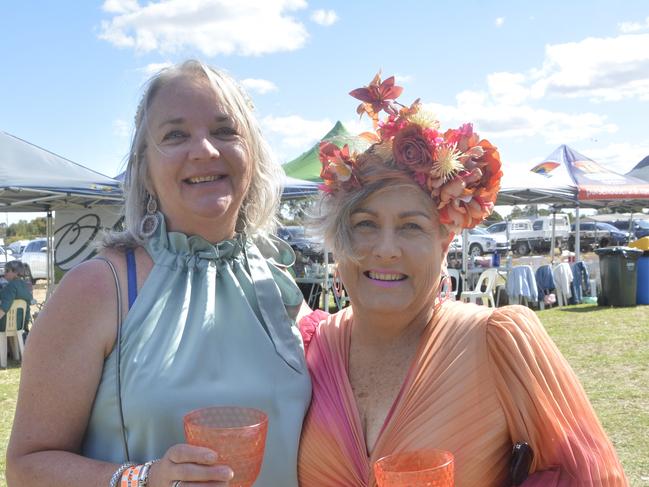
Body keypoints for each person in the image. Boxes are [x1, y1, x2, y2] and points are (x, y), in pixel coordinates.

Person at [297, 74, 627, 486]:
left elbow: (587, 476)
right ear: (338, 237)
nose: (385, 248)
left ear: (445, 238)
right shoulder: (307, 349)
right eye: (364, 224)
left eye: (411, 226)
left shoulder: (498, 343)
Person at [7, 60, 311, 487]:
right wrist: (144, 479)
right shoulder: (99, 288)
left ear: (253, 153)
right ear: (145, 168)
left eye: (225, 131)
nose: (205, 150)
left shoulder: (277, 284)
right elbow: (26, 467)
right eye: (175, 135)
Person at [0, 260, 33, 334]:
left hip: (6, 325)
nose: (4, 273)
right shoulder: (25, 285)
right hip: (21, 325)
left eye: (7, 270)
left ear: (15, 272)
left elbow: (4, 308)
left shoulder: (11, 286)